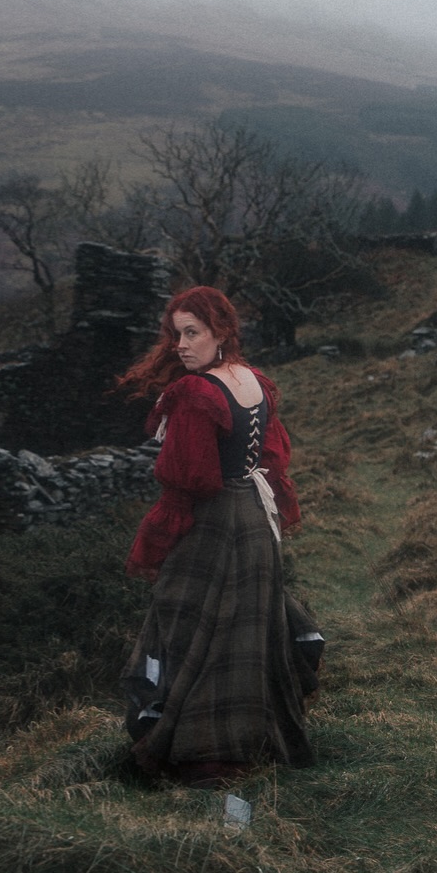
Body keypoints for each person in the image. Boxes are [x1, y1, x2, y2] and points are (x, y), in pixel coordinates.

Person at [118, 286, 322, 786]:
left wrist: (162, 537)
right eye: (175, 334)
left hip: (216, 521)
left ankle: (203, 750)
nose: (180, 345)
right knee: (243, 631)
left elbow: (191, 480)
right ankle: (249, 736)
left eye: (193, 333)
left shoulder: (196, 393)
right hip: (255, 517)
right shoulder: (252, 380)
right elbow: (271, 459)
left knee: (186, 622)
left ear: (221, 333)